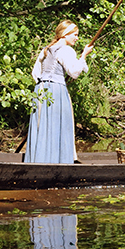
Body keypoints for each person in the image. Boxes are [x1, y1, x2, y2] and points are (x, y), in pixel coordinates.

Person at [25, 20, 93, 164]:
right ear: (65, 34)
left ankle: (39, 160)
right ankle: (57, 161)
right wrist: (84, 55)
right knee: (57, 126)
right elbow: (74, 72)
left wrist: (44, 84)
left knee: (43, 126)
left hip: (40, 91)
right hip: (56, 92)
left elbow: (35, 73)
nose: (77, 38)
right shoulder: (66, 50)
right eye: (75, 35)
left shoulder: (46, 49)